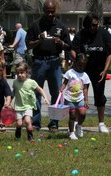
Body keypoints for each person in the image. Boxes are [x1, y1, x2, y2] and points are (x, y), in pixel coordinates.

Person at [25, 0, 71, 131]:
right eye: (47, 11)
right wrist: (39, 40)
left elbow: (69, 46)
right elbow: (28, 44)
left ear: (55, 11)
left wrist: (60, 42)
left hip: (55, 62)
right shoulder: (36, 25)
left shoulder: (60, 25)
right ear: (43, 11)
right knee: (36, 93)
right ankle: (36, 123)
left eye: (52, 12)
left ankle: (54, 123)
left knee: (56, 92)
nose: (50, 14)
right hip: (39, 61)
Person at [70, 14, 111, 133]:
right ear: (87, 24)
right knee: (79, 96)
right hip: (83, 72)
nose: (96, 27)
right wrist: (77, 60)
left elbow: (110, 52)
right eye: (93, 25)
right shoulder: (81, 34)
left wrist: (105, 69)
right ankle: (78, 124)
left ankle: (101, 123)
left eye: (97, 24)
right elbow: (73, 49)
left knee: (99, 96)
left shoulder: (104, 33)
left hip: (99, 70)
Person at [12, 63, 49, 141]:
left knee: (27, 121)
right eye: (18, 73)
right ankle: (18, 129)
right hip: (18, 106)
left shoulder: (31, 82)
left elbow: (40, 89)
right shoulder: (15, 82)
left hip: (28, 106)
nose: (19, 75)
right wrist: (8, 102)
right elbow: (13, 92)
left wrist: (45, 97)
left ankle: (30, 136)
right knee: (19, 123)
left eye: (21, 73)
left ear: (27, 72)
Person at [60, 56, 91, 140]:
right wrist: (61, 89)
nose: (81, 67)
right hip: (69, 98)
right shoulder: (70, 72)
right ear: (75, 63)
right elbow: (65, 83)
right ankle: (71, 133)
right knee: (72, 116)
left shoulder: (85, 75)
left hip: (80, 98)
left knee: (83, 113)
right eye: (80, 65)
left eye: (83, 66)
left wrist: (86, 99)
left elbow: (85, 88)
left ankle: (79, 126)